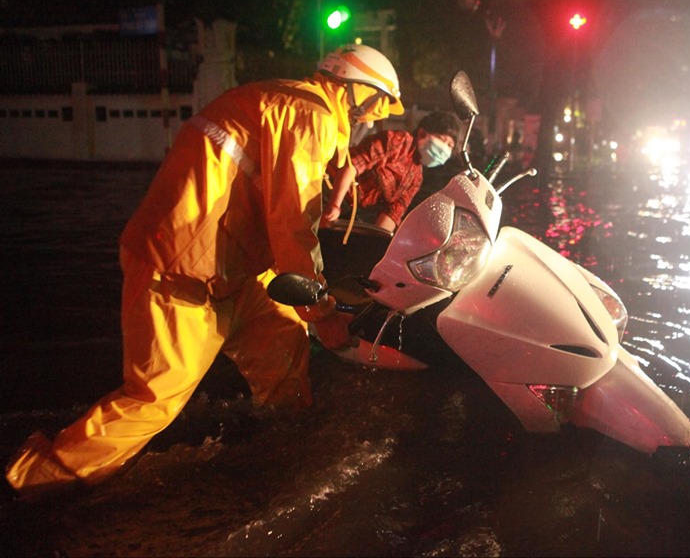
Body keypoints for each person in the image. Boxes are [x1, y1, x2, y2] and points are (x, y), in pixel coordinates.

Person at [5, 44, 404, 499]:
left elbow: (270, 204)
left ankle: (287, 449)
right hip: (179, 271)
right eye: (374, 106)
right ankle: (37, 480)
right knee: (156, 397)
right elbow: (293, 225)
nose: (372, 120)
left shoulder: (284, 102)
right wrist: (325, 314)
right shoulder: (308, 113)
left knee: (283, 343)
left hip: (228, 267)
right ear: (353, 92)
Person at [320, 110, 462, 233]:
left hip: (346, 209)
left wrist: (379, 243)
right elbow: (352, 165)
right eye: (443, 140)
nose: (445, 149)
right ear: (422, 133)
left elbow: (393, 212)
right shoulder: (401, 141)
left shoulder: (416, 176)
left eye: (450, 146)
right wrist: (334, 205)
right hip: (327, 189)